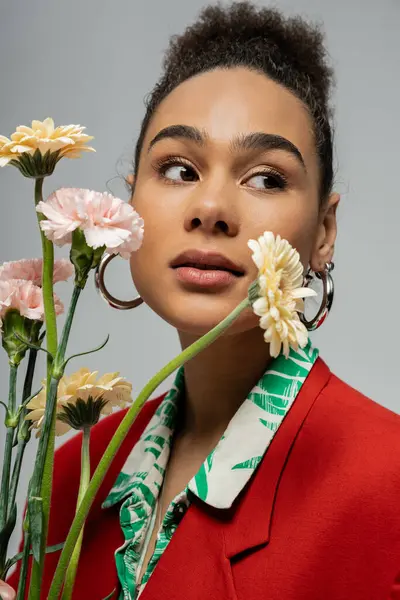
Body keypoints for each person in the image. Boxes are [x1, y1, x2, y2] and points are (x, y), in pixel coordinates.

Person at [4, 2, 400, 599]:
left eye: (266, 177)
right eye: (179, 169)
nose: (210, 208)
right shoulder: (63, 484)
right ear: (129, 200)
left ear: (325, 230)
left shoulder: (386, 485)